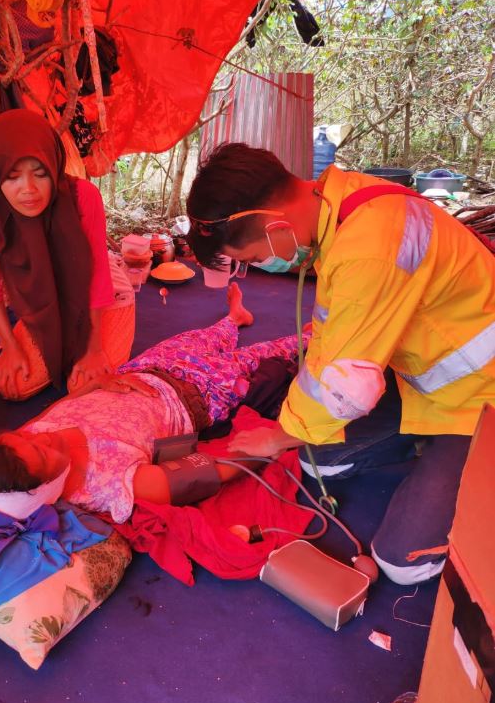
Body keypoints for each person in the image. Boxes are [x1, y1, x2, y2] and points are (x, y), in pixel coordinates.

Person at [185, 142, 495, 585]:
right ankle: (428, 447)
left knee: (404, 565)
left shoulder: (367, 246)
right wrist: (292, 431)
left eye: (254, 259)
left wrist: (277, 437)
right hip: (428, 387)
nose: (264, 265)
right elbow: (332, 342)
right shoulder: (344, 203)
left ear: (274, 227)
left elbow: (347, 384)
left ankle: (464, 460)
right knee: (317, 461)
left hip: (482, 400)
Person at [0, 284, 299, 524]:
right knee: (264, 355)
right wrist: (269, 445)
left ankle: (233, 320)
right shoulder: (107, 486)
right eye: (42, 452)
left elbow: (57, 409)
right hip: (198, 392)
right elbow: (207, 474)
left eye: (26, 436)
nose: (41, 435)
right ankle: (316, 337)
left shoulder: (22, 444)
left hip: (143, 369)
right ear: (44, 490)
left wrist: (98, 382)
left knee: (200, 338)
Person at [0, 108, 116, 401]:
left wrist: (94, 348)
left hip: (94, 300)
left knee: (86, 387)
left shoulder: (83, 197)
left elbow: (98, 274)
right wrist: (9, 346)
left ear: (54, 164)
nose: (29, 190)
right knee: (14, 388)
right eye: (12, 177)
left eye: (40, 174)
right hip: (38, 304)